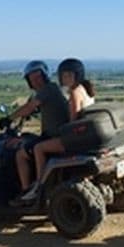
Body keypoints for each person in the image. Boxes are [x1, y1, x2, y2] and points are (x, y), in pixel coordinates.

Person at [25, 58, 96, 201]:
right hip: (85, 136)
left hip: (74, 139)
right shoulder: (85, 90)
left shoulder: (75, 93)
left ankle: (39, 185)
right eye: (63, 75)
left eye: (68, 75)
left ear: (77, 75)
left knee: (38, 148)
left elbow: (73, 121)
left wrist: (61, 131)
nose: (64, 78)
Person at [0, 61, 70, 203]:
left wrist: (9, 118)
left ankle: (30, 190)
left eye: (38, 77)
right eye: (32, 78)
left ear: (45, 76)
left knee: (21, 153)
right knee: (30, 141)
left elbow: (30, 106)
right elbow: (36, 107)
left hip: (54, 137)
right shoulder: (52, 89)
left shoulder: (47, 90)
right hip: (57, 135)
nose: (36, 81)